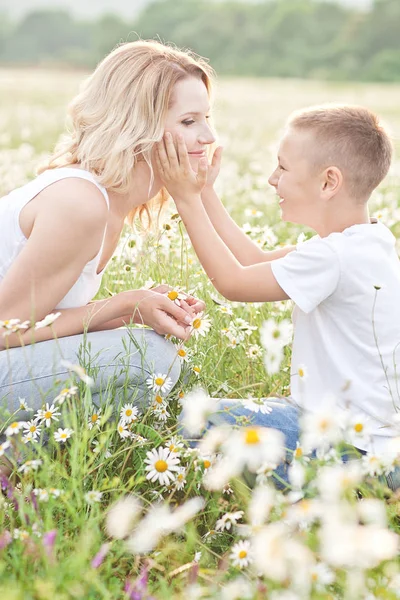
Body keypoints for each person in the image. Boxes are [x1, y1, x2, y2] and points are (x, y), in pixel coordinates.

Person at [0, 40, 217, 476]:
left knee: (151, 354)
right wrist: (120, 305)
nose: (208, 137)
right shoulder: (81, 202)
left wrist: (137, 311)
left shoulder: (107, 202)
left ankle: (21, 463)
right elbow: (7, 329)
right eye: (189, 121)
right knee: (145, 360)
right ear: (138, 126)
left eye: (207, 119)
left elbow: (49, 318)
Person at [155, 104, 400, 491]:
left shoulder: (334, 257)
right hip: (369, 444)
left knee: (195, 419)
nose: (272, 179)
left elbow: (233, 282)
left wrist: (185, 199)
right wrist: (204, 193)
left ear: (328, 183)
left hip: (350, 452)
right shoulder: (365, 243)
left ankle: (327, 495)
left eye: (283, 168)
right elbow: (251, 260)